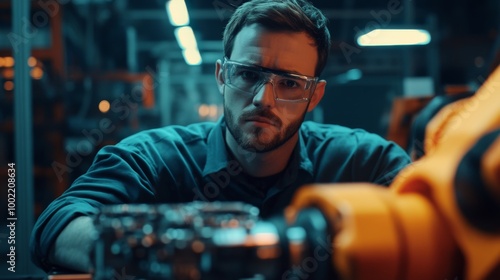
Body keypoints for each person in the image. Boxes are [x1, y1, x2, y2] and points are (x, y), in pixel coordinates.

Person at [30, 0, 411, 273]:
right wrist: (170, 255)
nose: (265, 99)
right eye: (248, 75)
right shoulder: (154, 158)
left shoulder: (364, 162)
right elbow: (56, 225)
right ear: (221, 76)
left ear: (314, 95)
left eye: (290, 83)